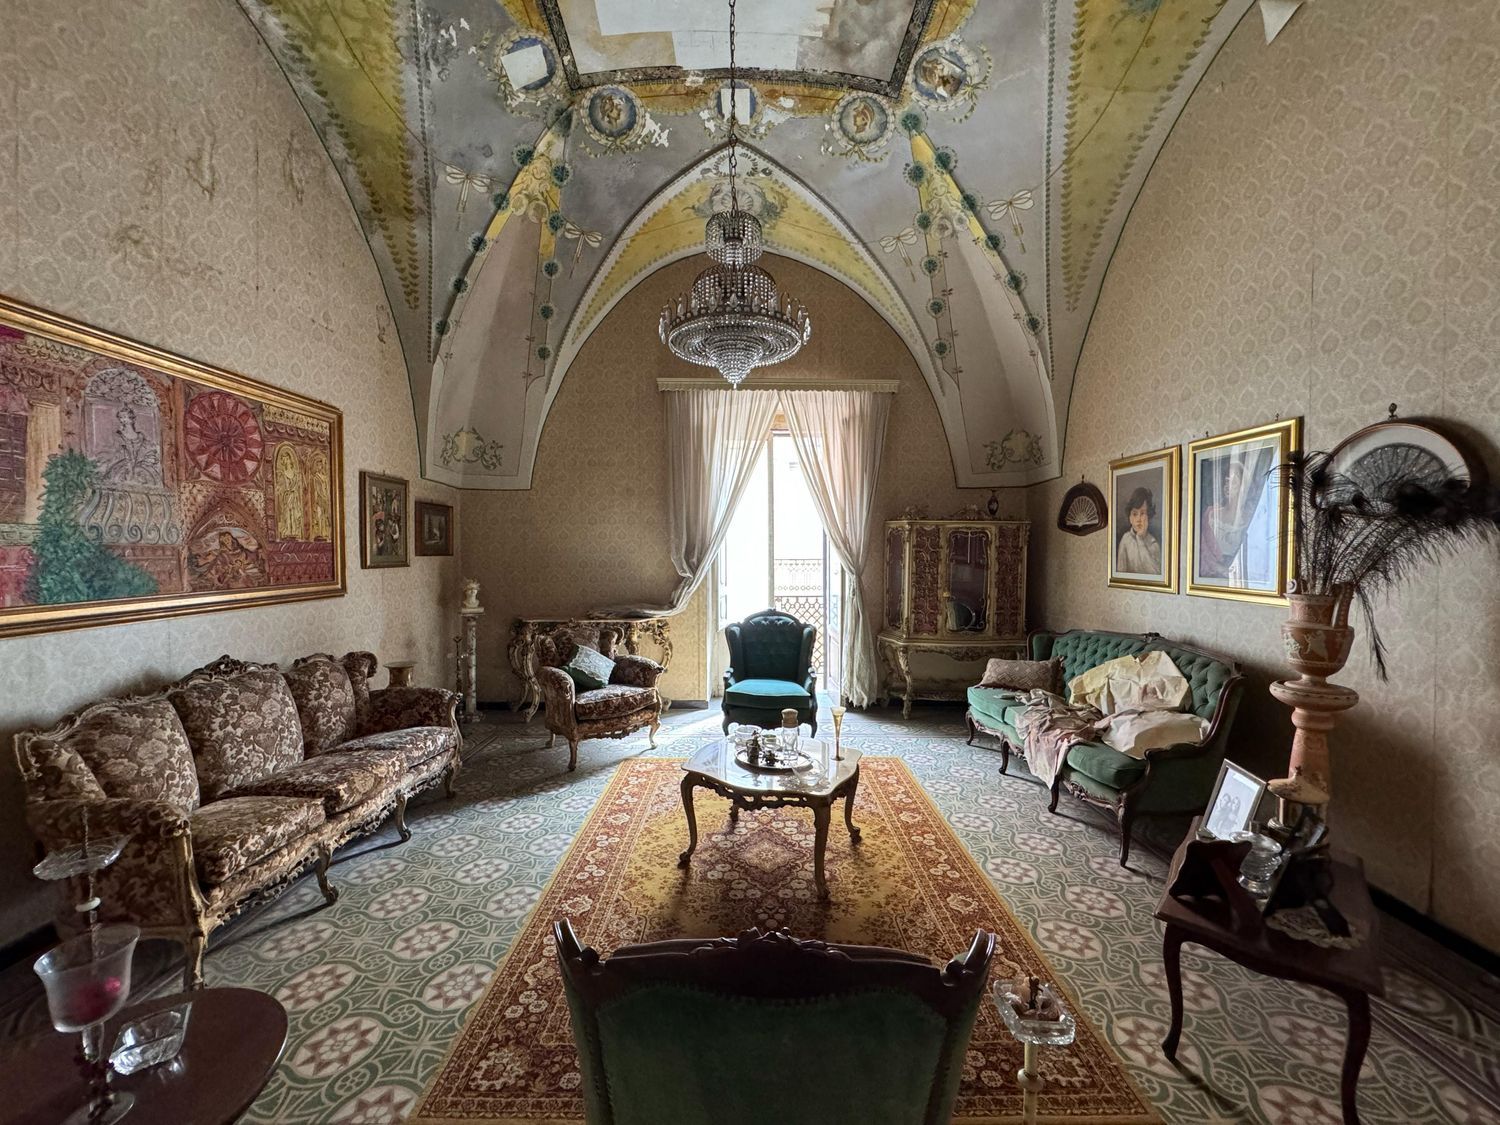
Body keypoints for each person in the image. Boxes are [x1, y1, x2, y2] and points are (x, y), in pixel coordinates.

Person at [1116, 486, 1162, 576]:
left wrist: (1140, 539)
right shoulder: (1125, 540)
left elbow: (1155, 573)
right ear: (1130, 518)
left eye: (1142, 513)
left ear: (1148, 516)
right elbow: (1120, 573)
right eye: (1134, 514)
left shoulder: (1153, 544)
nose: (1138, 519)